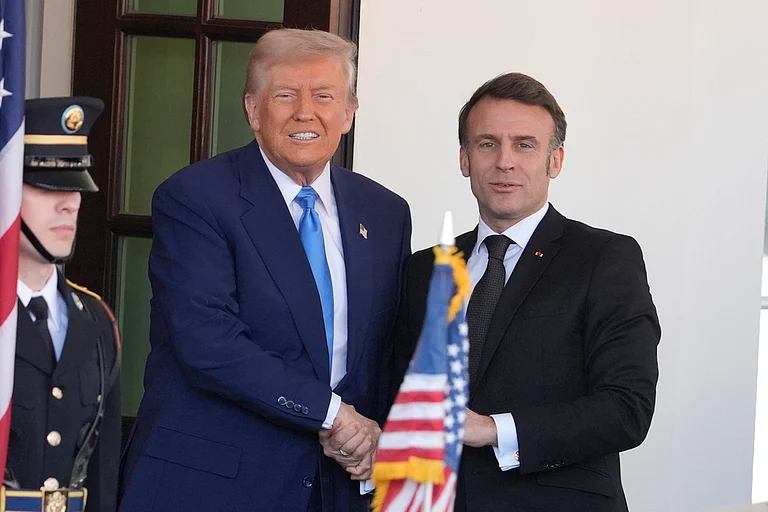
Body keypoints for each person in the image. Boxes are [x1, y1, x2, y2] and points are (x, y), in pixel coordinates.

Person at [118, 28, 412, 512]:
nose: (305, 111)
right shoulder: (195, 197)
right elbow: (208, 342)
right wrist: (334, 416)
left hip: (335, 486)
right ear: (253, 110)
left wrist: (376, 439)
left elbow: (382, 349)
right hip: (214, 486)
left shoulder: (383, 212)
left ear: (348, 112)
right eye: (285, 95)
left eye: (324, 96)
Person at [389, 72, 660, 512]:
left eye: (525, 144)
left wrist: (493, 429)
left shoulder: (604, 258)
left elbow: (626, 409)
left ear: (555, 161)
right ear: (464, 159)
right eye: (487, 143)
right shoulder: (423, 269)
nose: (504, 161)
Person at [5, 97, 121, 512]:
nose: (69, 202)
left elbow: (102, 474)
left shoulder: (96, 319)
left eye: (75, 187)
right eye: (45, 186)